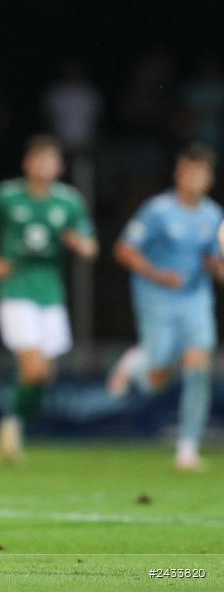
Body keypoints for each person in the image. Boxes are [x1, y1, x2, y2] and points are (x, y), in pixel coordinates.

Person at [0, 135, 98, 462]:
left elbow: (90, 245)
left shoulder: (69, 201)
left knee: (43, 373)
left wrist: (78, 244)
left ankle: (16, 424)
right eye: (38, 159)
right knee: (33, 366)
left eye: (50, 160)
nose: (43, 166)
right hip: (15, 288)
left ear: (59, 166)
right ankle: (11, 428)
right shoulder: (7, 196)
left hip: (51, 291)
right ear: (27, 164)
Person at [108, 143, 224, 471]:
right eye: (189, 172)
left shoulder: (214, 215)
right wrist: (157, 274)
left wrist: (219, 269)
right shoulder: (157, 211)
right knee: (156, 376)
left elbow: (213, 260)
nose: (195, 179)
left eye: (201, 173)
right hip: (156, 298)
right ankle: (136, 362)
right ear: (178, 174)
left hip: (195, 299)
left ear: (210, 178)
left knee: (198, 366)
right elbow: (124, 250)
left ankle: (187, 449)